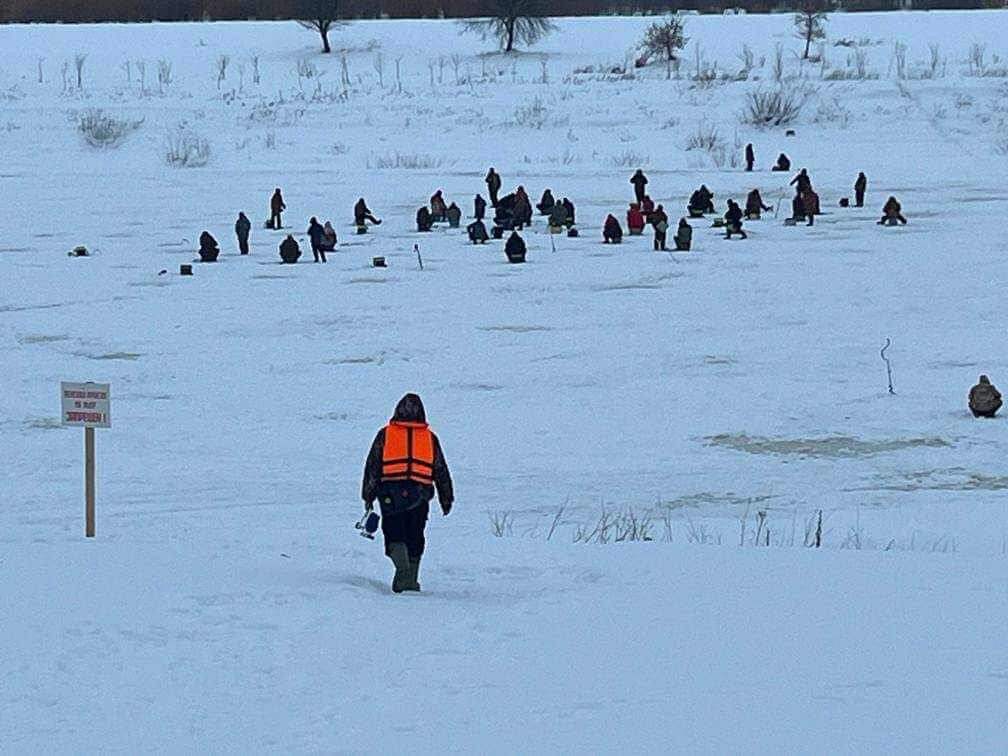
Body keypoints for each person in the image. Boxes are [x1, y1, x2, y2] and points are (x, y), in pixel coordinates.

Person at [361, 393, 454, 593]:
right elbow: (440, 469)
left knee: (395, 535)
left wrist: (367, 495)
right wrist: (446, 498)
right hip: (420, 495)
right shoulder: (429, 438)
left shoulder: (385, 434)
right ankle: (410, 579)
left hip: (389, 494)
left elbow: (372, 466)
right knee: (415, 536)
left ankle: (402, 570)